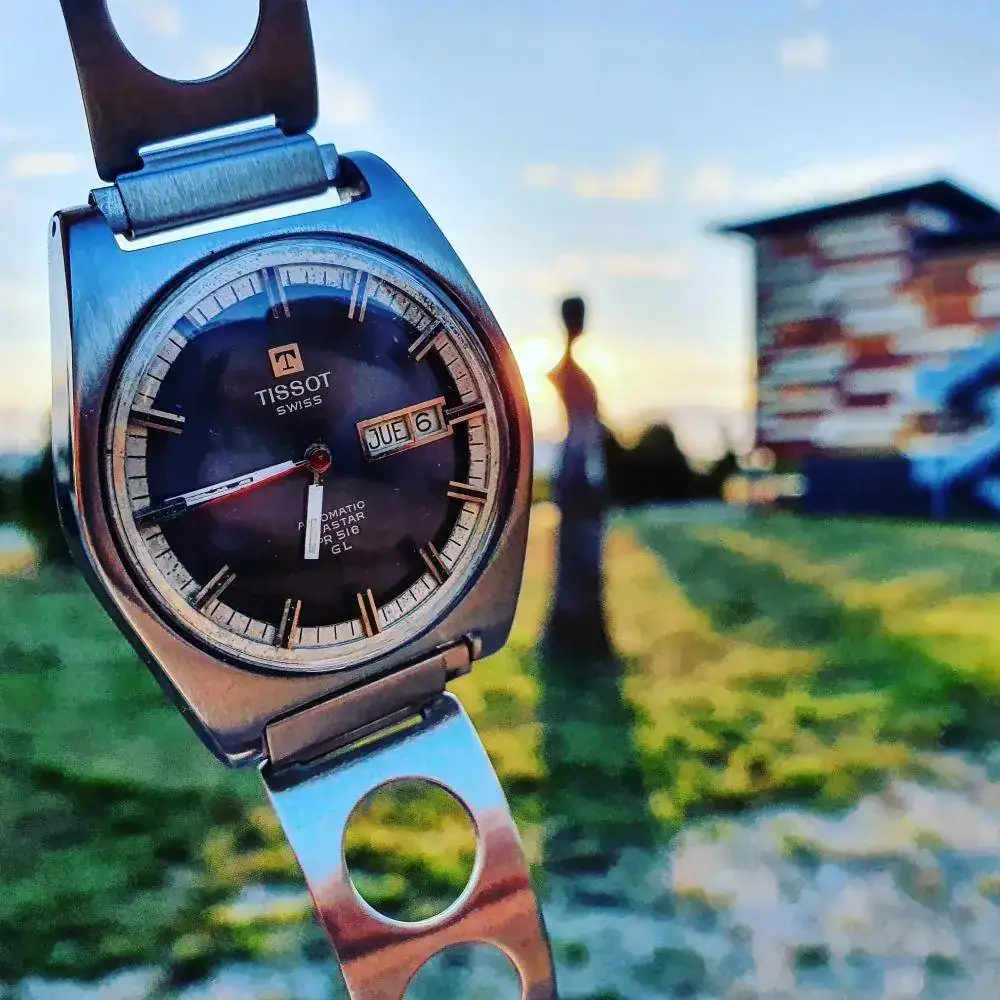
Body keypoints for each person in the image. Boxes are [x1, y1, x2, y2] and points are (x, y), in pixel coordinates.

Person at [543, 296, 613, 660]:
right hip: (579, 477)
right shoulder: (570, 373)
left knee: (578, 559)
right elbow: (583, 434)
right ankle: (577, 639)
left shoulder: (569, 371)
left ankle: (575, 637)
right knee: (581, 559)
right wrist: (589, 479)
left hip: (574, 474)